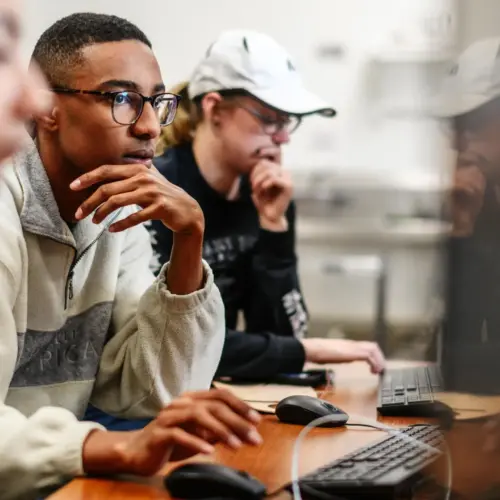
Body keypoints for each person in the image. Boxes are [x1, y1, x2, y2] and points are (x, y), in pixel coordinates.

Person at [0, 13, 263, 499]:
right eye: (121, 99)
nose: (148, 128)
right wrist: (114, 449)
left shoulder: (116, 210)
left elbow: (152, 390)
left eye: (157, 103)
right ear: (48, 108)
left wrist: (189, 240)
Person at [148, 30, 386, 382]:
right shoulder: (159, 190)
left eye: (286, 122)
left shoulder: (265, 193)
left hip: (221, 391)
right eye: (269, 118)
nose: (283, 137)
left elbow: (282, 337)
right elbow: (172, 343)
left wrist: (273, 226)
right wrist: (311, 351)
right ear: (214, 110)